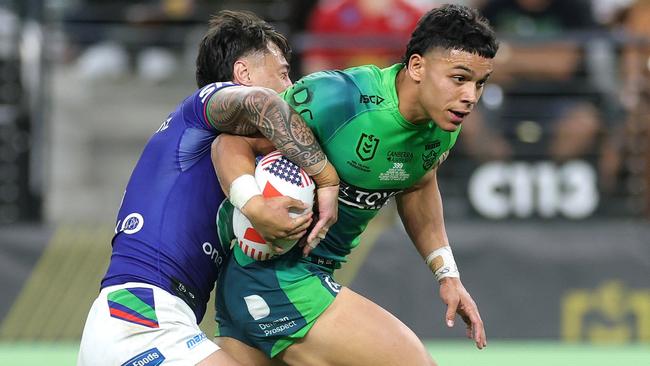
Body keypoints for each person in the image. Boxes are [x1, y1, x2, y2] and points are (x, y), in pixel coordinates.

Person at [212, 4, 497, 365]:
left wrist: (447, 274)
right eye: (459, 78)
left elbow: (418, 186)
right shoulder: (338, 98)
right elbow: (230, 143)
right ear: (417, 67)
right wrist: (254, 207)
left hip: (300, 277)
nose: (471, 96)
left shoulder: (442, 127)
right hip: (271, 275)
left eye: (480, 83)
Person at [77, 10, 339, 366]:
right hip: (142, 313)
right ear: (242, 74)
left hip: (150, 317)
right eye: (282, 74)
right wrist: (327, 178)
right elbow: (262, 104)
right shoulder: (204, 105)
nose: (291, 87)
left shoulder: (233, 159)